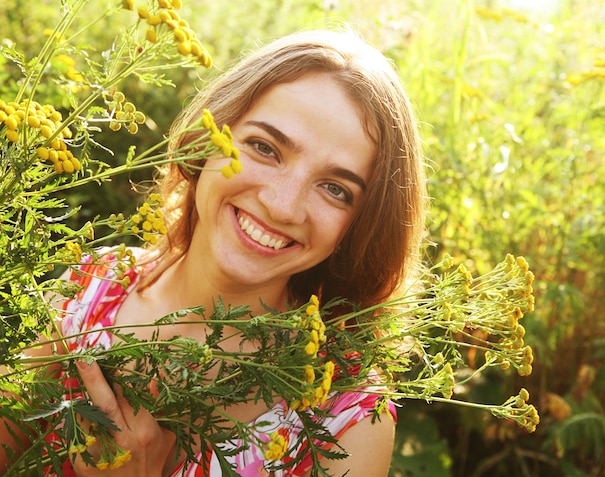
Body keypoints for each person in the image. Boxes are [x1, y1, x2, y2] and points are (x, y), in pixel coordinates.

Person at [0, 28, 426, 476]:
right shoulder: (90, 288)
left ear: (362, 226)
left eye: (335, 189)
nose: (281, 205)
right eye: (265, 147)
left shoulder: (349, 419)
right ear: (209, 135)